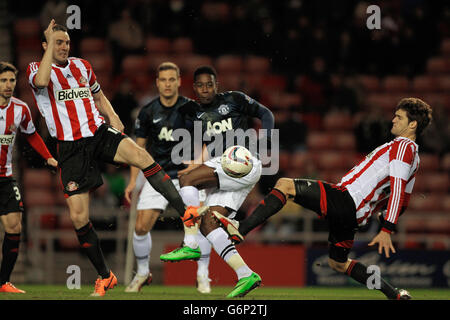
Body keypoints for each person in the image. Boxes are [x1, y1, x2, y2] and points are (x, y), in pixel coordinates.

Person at [26, 20, 190, 297]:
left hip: (98, 132)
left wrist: (113, 117)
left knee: (142, 156)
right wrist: (47, 41)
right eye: (57, 42)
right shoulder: (36, 69)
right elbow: (42, 82)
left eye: (66, 42)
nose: (64, 47)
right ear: (45, 46)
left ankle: (187, 213)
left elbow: (99, 95)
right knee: (79, 218)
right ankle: (105, 276)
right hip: (70, 148)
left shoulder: (82, 66)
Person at [213, 97, 433, 300]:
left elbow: (397, 190)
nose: (393, 119)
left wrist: (387, 229)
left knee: (285, 185)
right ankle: (394, 294)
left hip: (347, 199)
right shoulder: (414, 158)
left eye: (399, 116)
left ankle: (241, 228)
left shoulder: (403, 146)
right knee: (338, 264)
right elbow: (403, 199)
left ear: (412, 125)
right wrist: (383, 214)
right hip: (353, 215)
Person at [160, 66, 274, 298]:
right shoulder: (193, 114)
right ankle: (246, 274)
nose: (205, 89)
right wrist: (196, 162)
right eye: (200, 85)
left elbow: (267, 115)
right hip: (227, 167)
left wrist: (266, 141)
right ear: (194, 88)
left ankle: (190, 243)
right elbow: (210, 145)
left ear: (216, 85)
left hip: (241, 158)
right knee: (208, 223)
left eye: (209, 84)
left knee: (187, 180)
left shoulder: (235, 99)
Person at [123, 62, 212, 293]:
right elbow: (137, 151)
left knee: (201, 225)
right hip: (157, 176)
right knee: (141, 227)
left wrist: (196, 164)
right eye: (163, 80)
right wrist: (133, 181)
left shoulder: (192, 109)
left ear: (179, 81)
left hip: (188, 178)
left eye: (172, 79)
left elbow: (207, 142)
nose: (168, 84)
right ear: (157, 83)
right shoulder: (147, 111)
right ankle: (143, 273)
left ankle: (203, 276)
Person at [0, 62, 58, 293]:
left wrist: (48, 158)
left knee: (14, 226)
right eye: (3, 80)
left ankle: (3, 282)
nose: (8, 85)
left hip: (5, 177)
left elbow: (32, 136)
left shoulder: (20, 109)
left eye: (11, 80)